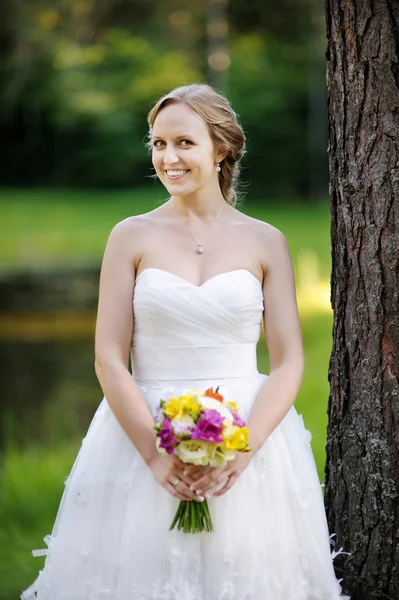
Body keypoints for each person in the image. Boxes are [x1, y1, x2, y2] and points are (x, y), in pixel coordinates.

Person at [21, 83, 350, 600]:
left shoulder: (266, 241)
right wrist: (155, 455)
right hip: (142, 432)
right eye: (157, 144)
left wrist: (243, 451)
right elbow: (109, 356)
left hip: (248, 433)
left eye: (183, 143)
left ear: (221, 149)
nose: (168, 158)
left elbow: (288, 363)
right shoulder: (129, 236)